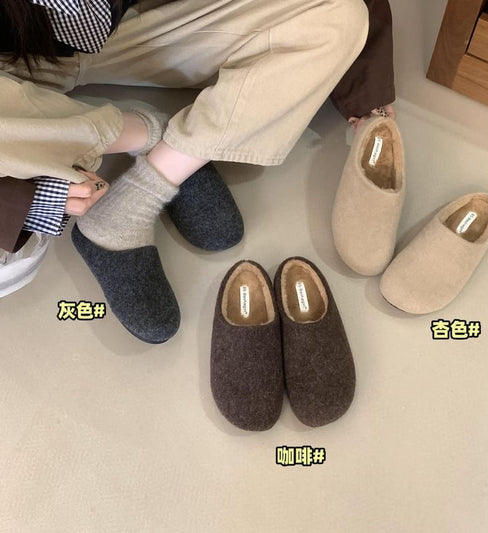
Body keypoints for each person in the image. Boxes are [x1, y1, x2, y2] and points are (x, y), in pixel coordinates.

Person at [0, 0, 395, 342]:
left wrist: (368, 92)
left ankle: (143, 181)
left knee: (337, 17)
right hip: (9, 60)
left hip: (129, 29)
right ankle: (156, 141)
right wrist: (22, 198)